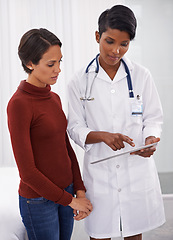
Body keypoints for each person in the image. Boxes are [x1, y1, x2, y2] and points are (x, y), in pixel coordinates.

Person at [67, 5, 165, 240]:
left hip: (135, 170)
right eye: (110, 41)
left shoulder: (141, 75)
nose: (116, 50)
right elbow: (74, 127)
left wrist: (150, 139)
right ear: (97, 36)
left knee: (134, 232)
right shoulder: (79, 81)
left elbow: (153, 117)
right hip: (100, 173)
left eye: (124, 44)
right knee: (101, 233)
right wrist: (102, 136)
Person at [7, 28, 92, 240]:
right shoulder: (18, 105)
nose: (58, 70)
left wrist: (78, 189)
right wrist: (71, 200)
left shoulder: (53, 98)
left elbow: (65, 148)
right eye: (51, 64)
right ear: (30, 64)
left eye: (60, 61)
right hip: (38, 201)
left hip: (66, 192)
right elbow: (27, 172)